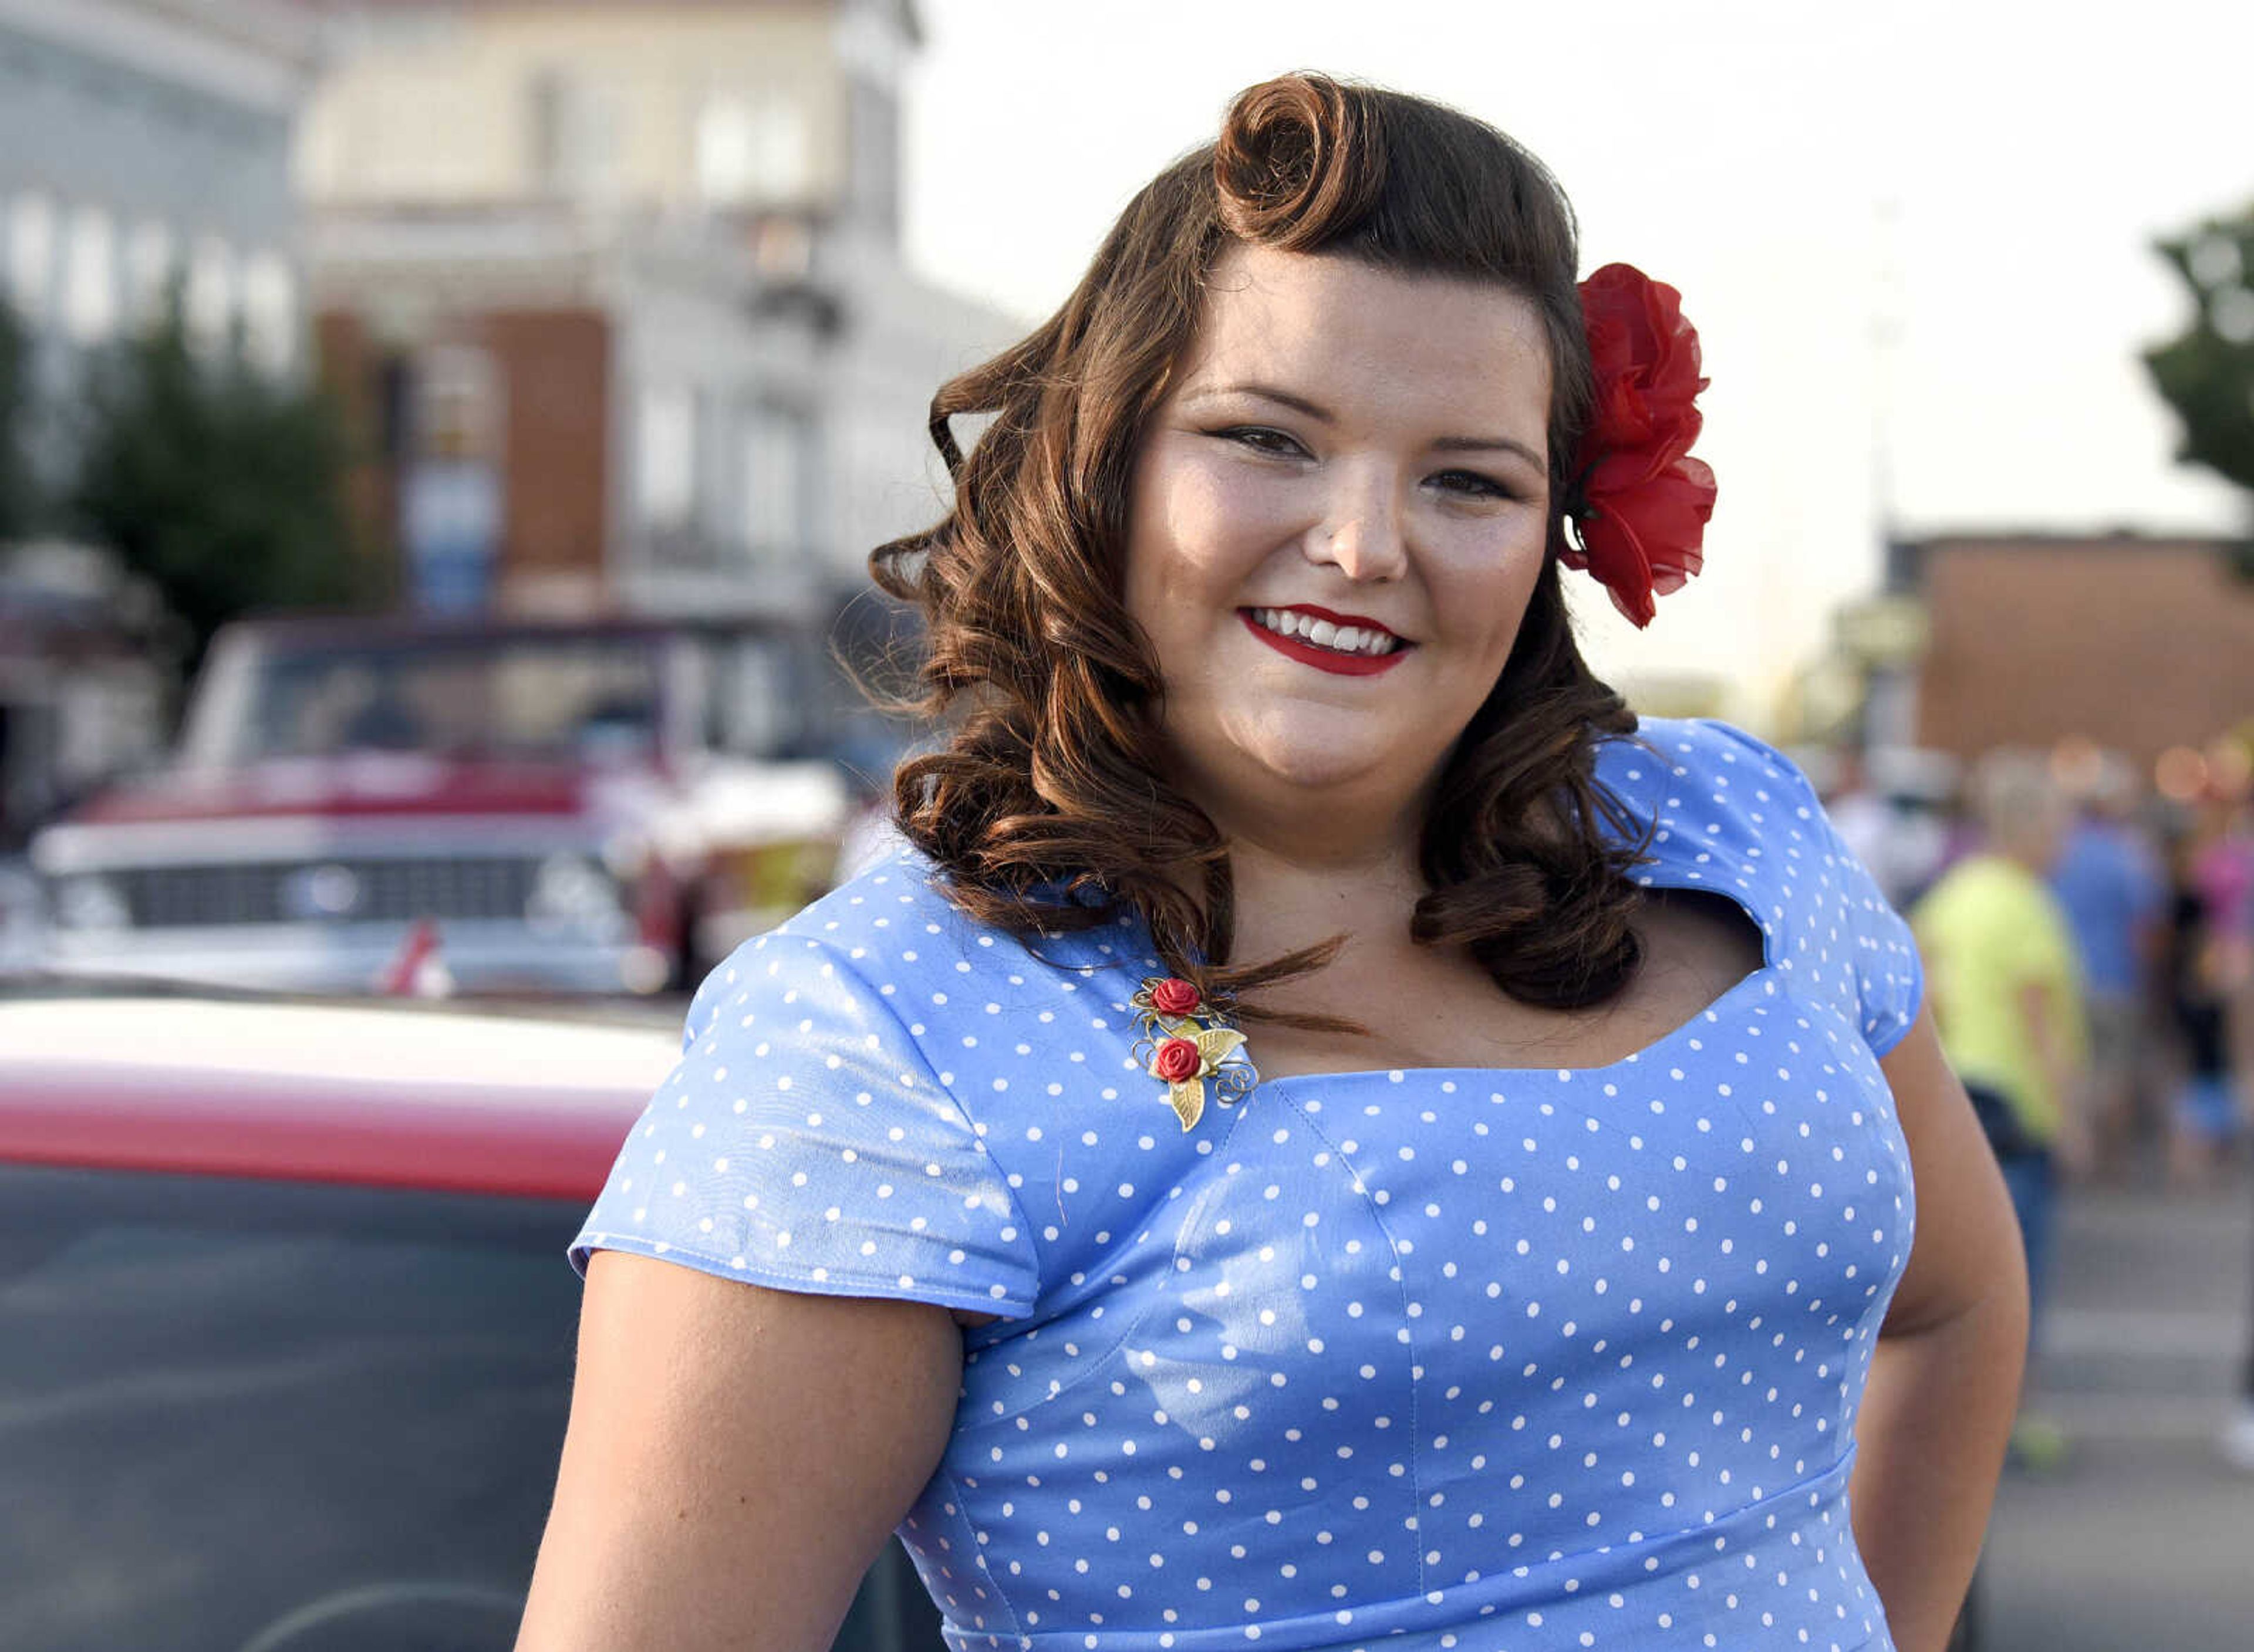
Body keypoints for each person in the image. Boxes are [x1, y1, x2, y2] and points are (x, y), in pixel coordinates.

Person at [518, 75, 2025, 1652]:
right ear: (1103, 464)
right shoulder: (873, 1038)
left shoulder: (1739, 836)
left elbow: (1956, 1303)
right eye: (1267, 440)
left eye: (1470, 478)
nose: (1366, 542)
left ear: (1556, 527)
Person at [1909, 751, 2087, 1468]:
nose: (2065, 842)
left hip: (1959, 1101)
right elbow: (2041, 1020)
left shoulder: (1955, 892)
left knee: (1965, 1283)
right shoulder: (2027, 903)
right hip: (2019, 1112)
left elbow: (1925, 985)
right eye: (2060, 827)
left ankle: (1965, 1419)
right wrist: (2073, 1115)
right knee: (2021, 1279)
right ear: (2031, 828)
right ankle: (2014, 1421)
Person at [2046, 751, 2166, 1180]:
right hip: (2116, 978)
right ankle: (2107, 1162)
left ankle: (2079, 1150)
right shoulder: (2127, 854)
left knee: (2074, 1066)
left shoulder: (2059, 849)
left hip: (2064, 978)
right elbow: (2146, 922)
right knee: (2114, 1071)